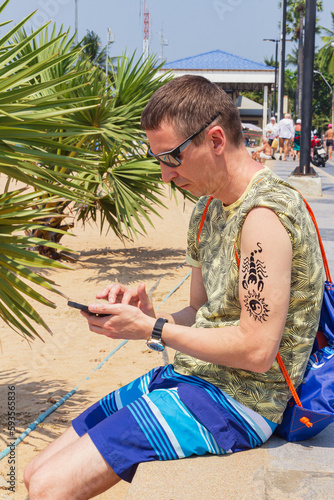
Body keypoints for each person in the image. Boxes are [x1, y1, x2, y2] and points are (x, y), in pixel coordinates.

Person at [24, 75, 324, 499]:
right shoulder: (206, 208)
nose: (165, 176)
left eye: (172, 158)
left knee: (49, 487)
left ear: (215, 139)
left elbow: (257, 351)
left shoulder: (264, 215)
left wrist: (153, 331)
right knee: (34, 471)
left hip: (243, 402)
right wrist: (149, 316)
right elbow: (202, 313)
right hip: (192, 377)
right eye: (158, 160)